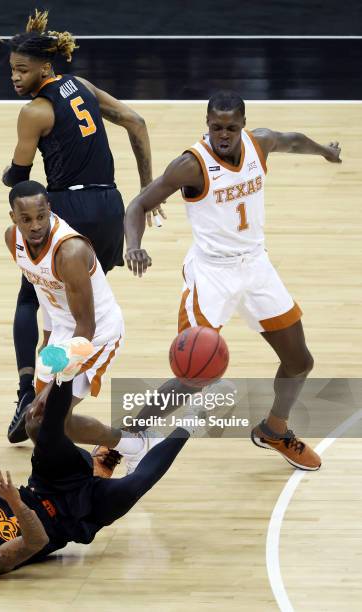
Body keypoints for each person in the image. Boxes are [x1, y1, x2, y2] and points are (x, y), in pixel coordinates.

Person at [124, 90, 342, 471]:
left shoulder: (261, 143)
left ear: (243, 125)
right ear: (206, 125)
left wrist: (325, 150)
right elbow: (139, 204)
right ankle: (126, 437)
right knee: (194, 373)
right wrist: (134, 245)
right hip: (212, 273)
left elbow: (293, 141)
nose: (222, 135)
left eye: (230, 127)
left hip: (256, 266)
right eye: (215, 127)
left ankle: (275, 429)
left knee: (299, 361)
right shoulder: (191, 165)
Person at [0, 9, 163, 440]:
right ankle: (59, 394)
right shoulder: (84, 86)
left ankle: (32, 393)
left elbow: (20, 177)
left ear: (44, 67)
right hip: (110, 205)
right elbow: (137, 122)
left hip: (69, 206)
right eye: (11, 69)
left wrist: (9, 178)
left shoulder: (36, 110)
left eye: (22, 70)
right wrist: (145, 194)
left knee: (32, 295)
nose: (14, 78)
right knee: (79, 299)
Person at [0, 356, 196, 578]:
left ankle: (67, 368)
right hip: (74, 518)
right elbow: (36, 541)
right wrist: (14, 501)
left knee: (40, 429)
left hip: (47, 484)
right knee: (134, 486)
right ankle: (191, 422)